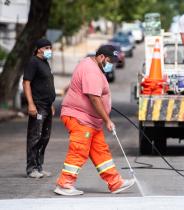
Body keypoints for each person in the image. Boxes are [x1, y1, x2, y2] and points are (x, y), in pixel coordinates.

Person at [54, 45, 135, 196]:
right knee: (79, 151)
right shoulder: (91, 71)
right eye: (110, 61)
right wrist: (107, 120)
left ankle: (115, 183)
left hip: (90, 120)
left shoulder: (92, 65)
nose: (112, 65)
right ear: (101, 57)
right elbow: (94, 98)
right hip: (80, 118)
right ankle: (64, 184)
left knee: (100, 152)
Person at [23, 38, 56, 178]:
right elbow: (26, 83)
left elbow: (46, 84)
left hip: (47, 106)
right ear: (39, 49)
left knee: (45, 137)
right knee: (35, 136)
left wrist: (52, 104)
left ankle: (39, 166)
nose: (50, 50)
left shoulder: (45, 63)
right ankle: (31, 169)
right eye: (47, 47)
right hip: (38, 105)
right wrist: (30, 104)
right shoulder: (33, 62)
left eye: (50, 47)